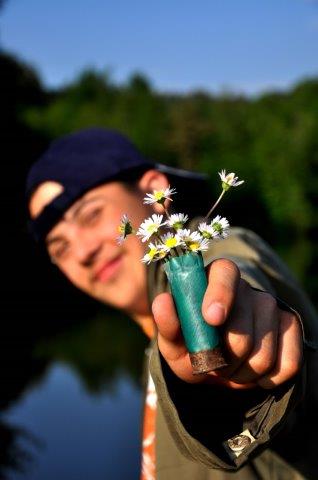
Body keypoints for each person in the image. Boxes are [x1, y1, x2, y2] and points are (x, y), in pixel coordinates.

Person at [25, 127, 318, 479]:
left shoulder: (210, 252)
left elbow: (235, 267)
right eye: (61, 248)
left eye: (91, 216)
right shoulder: (156, 336)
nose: (83, 252)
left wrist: (240, 320)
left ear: (155, 193)